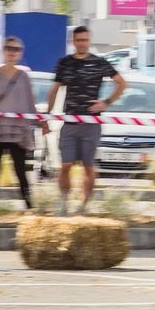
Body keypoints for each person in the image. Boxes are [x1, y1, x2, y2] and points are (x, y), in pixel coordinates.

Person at [46, 26, 127, 216]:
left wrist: (106, 102)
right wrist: (46, 117)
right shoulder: (65, 63)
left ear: (89, 41)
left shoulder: (99, 63)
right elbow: (55, 90)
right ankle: (64, 203)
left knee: (88, 167)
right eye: (78, 40)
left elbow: (122, 83)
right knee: (65, 165)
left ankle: (83, 206)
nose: (82, 43)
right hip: (70, 123)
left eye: (85, 40)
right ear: (73, 42)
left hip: (91, 124)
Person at [0, 37, 47, 221]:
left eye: (15, 49)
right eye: (8, 48)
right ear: (3, 51)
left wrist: (42, 122)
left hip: (17, 132)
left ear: (20, 53)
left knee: (20, 171)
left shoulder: (23, 77)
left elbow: (30, 104)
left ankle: (30, 207)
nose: (11, 52)